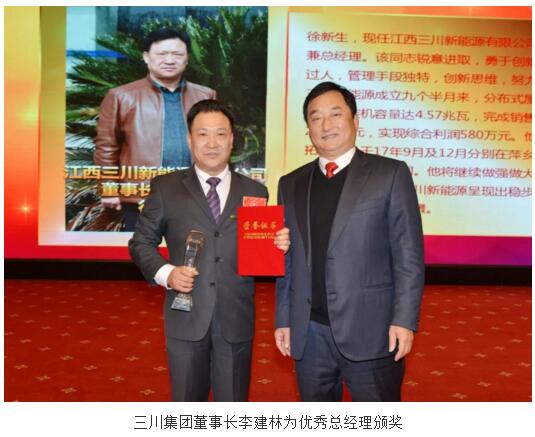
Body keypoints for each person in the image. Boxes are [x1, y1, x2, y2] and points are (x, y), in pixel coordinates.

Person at [129, 99, 290, 401]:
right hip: (186, 315)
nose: (212, 143)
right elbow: (140, 242)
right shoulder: (166, 188)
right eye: (203, 134)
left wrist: (279, 245)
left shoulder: (255, 191)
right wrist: (167, 273)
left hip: (236, 317)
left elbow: (257, 249)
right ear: (190, 139)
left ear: (232, 140)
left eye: (220, 134)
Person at [274, 81, 424, 402]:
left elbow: (408, 255)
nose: (326, 125)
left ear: (355, 120)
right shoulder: (290, 184)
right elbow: (288, 262)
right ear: (308, 129)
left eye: (335, 114)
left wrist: (404, 319)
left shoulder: (389, 174)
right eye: (316, 117)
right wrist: (284, 319)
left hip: (373, 329)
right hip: (309, 333)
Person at [95, 28, 216, 231]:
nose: (169, 60)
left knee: (193, 249)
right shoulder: (121, 96)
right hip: (141, 197)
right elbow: (107, 146)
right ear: (146, 57)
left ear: (187, 58)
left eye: (177, 54)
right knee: (142, 249)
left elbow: (216, 144)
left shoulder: (205, 95)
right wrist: (108, 188)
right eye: (161, 54)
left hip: (195, 197)